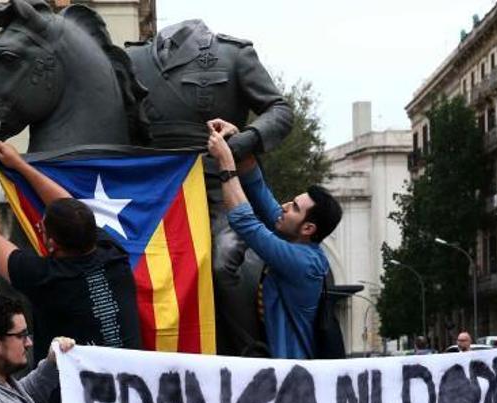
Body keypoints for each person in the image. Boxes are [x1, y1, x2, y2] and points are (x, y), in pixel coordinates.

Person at [0, 141, 141, 403]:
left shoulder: (46, 277)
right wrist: (21, 166)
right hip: (127, 402)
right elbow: (73, 208)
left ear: (49, 243)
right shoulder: (116, 256)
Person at [126, 20, 293, 357]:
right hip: (153, 190)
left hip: (215, 187)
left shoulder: (233, 55)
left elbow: (280, 110)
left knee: (222, 262)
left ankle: (250, 350)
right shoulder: (133, 58)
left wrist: (240, 144)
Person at [206, 119, 342, 359]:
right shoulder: (293, 235)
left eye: (295, 207)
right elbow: (257, 188)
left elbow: (245, 222)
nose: (285, 206)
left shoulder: (304, 262)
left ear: (308, 228)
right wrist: (238, 140)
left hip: (289, 375)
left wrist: (226, 163)